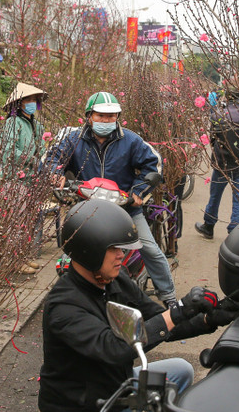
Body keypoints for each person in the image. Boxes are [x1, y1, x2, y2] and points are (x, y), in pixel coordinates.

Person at [37, 200, 239, 412]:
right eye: (115, 249)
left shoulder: (113, 280)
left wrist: (209, 318)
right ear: (89, 250)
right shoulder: (63, 306)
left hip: (113, 392)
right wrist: (177, 311)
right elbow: (115, 348)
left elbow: (156, 322)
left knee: (180, 372)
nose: (124, 254)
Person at [45, 91, 179, 306]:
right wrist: (55, 172)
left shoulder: (131, 140)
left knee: (150, 249)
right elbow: (53, 157)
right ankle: (70, 298)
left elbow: (153, 164)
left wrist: (139, 191)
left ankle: (170, 297)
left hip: (125, 209)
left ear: (118, 117)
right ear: (89, 116)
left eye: (111, 116)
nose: (106, 121)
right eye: (100, 116)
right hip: (88, 208)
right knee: (72, 252)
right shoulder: (74, 140)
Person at [195, 88, 239, 239]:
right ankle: (235, 231)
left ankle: (209, 226)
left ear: (227, 98)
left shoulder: (217, 115)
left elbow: (213, 137)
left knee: (215, 196)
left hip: (222, 161)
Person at [0, 82, 48, 275]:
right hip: (14, 178)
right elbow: (10, 151)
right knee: (15, 221)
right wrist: (34, 160)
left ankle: (21, 256)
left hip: (31, 179)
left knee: (26, 220)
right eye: (28, 99)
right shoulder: (13, 123)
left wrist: (46, 159)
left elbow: (42, 149)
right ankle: (12, 261)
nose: (32, 103)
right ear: (18, 103)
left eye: (34, 100)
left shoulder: (36, 125)